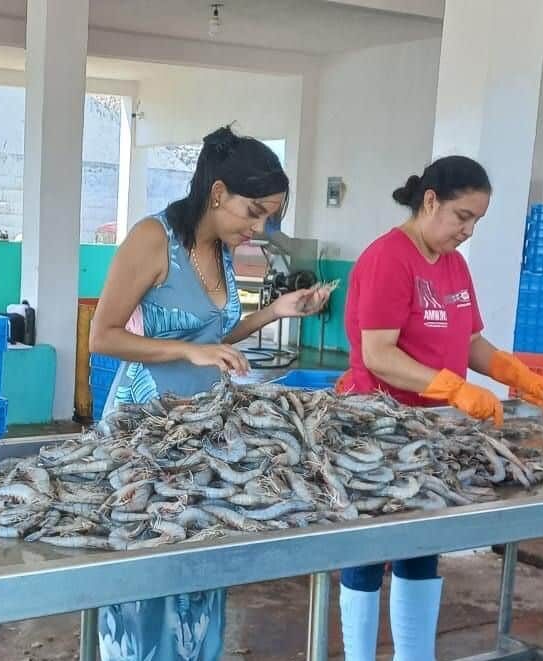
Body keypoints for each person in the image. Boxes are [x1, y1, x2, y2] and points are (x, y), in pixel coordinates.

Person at [88, 125, 329, 661]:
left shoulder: (221, 249)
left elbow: (212, 339)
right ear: (218, 192)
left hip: (202, 431)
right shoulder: (153, 239)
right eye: (254, 211)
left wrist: (275, 312)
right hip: (144, 426)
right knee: (146, 565)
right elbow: (102, 336)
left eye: (269, 216)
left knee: (199, 563)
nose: (260, 226)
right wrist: (188, 353)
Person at [337, 156, 543, 661]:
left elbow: (470, 339)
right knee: (367, 551)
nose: (468, 230)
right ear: (430, 201)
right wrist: (454, 389)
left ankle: (414, 655)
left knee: (422, 545)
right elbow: (378, 354)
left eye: (477, 220)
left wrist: (509, 370)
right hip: (376, 429)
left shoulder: (454, 264)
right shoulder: (389, 258)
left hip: (431, 433)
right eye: (462, 216)